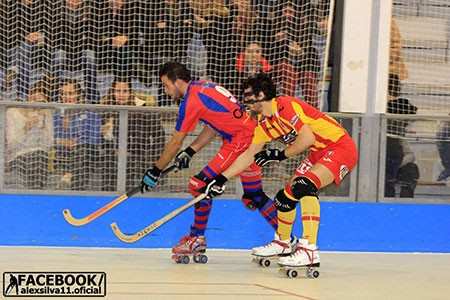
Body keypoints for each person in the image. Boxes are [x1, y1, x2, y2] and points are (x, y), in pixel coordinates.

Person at [203, 73, 358, 268]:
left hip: (339, 147)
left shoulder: (284, 106)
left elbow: (307, 139)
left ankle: (309, 250)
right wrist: (220, 179)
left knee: (304, 186)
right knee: (284, 198)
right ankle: (283, 243)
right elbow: (249, 154)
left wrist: (279, 154)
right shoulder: (264, 124)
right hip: (318, 153)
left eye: (248, 95)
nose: (244, 101)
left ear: (260, 95)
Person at [140, 61, 280, 259]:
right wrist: (191, 150)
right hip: (247, 135)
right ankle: (288, 240)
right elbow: (214, 125)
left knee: (198, 185)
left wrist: (155, 170)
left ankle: (197, 238)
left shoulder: (191, 101)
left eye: (166, 85)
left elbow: (174, 142)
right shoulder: (205, 86)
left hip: (241, 141)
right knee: (254, 195)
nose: (165, 91)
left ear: (178, 82)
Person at [100, 79, 165, 191]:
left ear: (130, 92)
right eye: (118, 91)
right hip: (112, 155)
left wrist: (155, 157)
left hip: (138, 154)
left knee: (130, 166)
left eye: (125, 91)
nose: (121, 95)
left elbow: (159, 135)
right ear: (112, 92)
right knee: (109, 162)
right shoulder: (105, 110)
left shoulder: (143, 110)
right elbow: (102, 140)